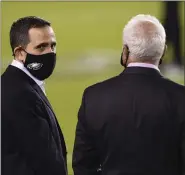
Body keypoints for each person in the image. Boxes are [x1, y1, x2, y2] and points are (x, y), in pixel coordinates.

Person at [72, 14, 185, 175]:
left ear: (125, 51)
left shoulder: (93, 96)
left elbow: (82, 164)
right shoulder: (181, 98)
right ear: (163, 52)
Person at [2, 16, 67, 175]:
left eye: (53, 46)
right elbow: (44, 161)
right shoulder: (20, 94)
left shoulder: (16, 84)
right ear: (19, 53)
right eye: (41, 47)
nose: (50, 53)